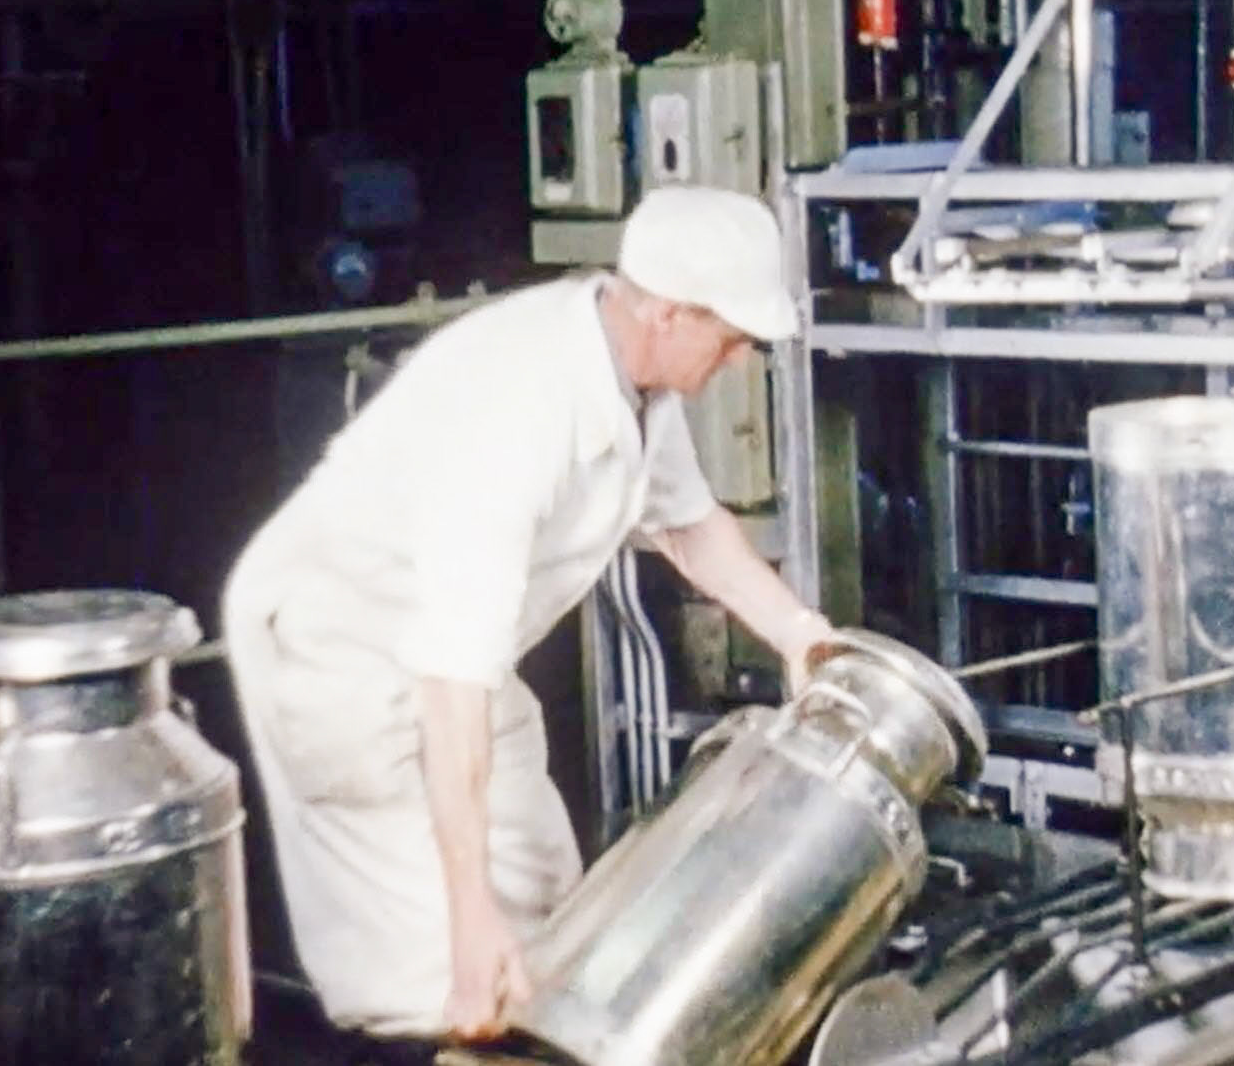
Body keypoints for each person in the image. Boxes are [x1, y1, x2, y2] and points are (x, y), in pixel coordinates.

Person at [223, 185, 833, 1054]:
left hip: (458, 659)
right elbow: (449, 685)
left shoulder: (634, 375)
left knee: (552, 914)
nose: (739, 362)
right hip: (343, 653)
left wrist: (802, 634)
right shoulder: (514, 414)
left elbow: (689, 527)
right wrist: (471, 916)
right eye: (732, 338)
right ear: (667, 313)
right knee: (443, 976)